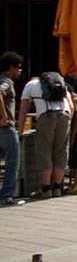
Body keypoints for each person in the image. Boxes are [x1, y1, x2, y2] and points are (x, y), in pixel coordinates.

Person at [18, 72, 75, 199]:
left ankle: (45, 189)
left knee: (44, 151)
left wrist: (20, 131)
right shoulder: (60, 83)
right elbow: (71, 106)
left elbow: (23, 110)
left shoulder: (30, 85)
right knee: (61, 151)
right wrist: (68, 121)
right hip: (64, 115)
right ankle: (57, 188)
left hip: (46, 116)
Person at [0, 52, 24, 206]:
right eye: (19, 67)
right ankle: (6, 195)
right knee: (13, 161)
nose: (20, 70)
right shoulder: (6, 81)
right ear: (11, 67)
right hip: (6, 128)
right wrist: (4, 116)